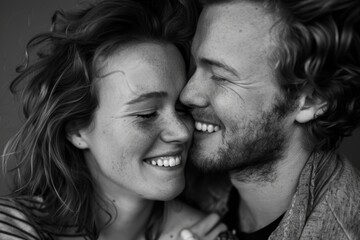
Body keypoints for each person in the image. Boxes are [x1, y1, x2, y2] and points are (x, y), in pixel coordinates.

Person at [0, 0, 229, 239]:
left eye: (182, 108)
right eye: (147, 113)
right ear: (77, 129)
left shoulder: (209, 234)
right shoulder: (11, 228)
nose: (182, 131)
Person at [179, 0, 360, 239]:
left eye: (221, 77)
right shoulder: (183, 182)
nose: (187, 94)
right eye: (194, 64)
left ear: (310, 101)